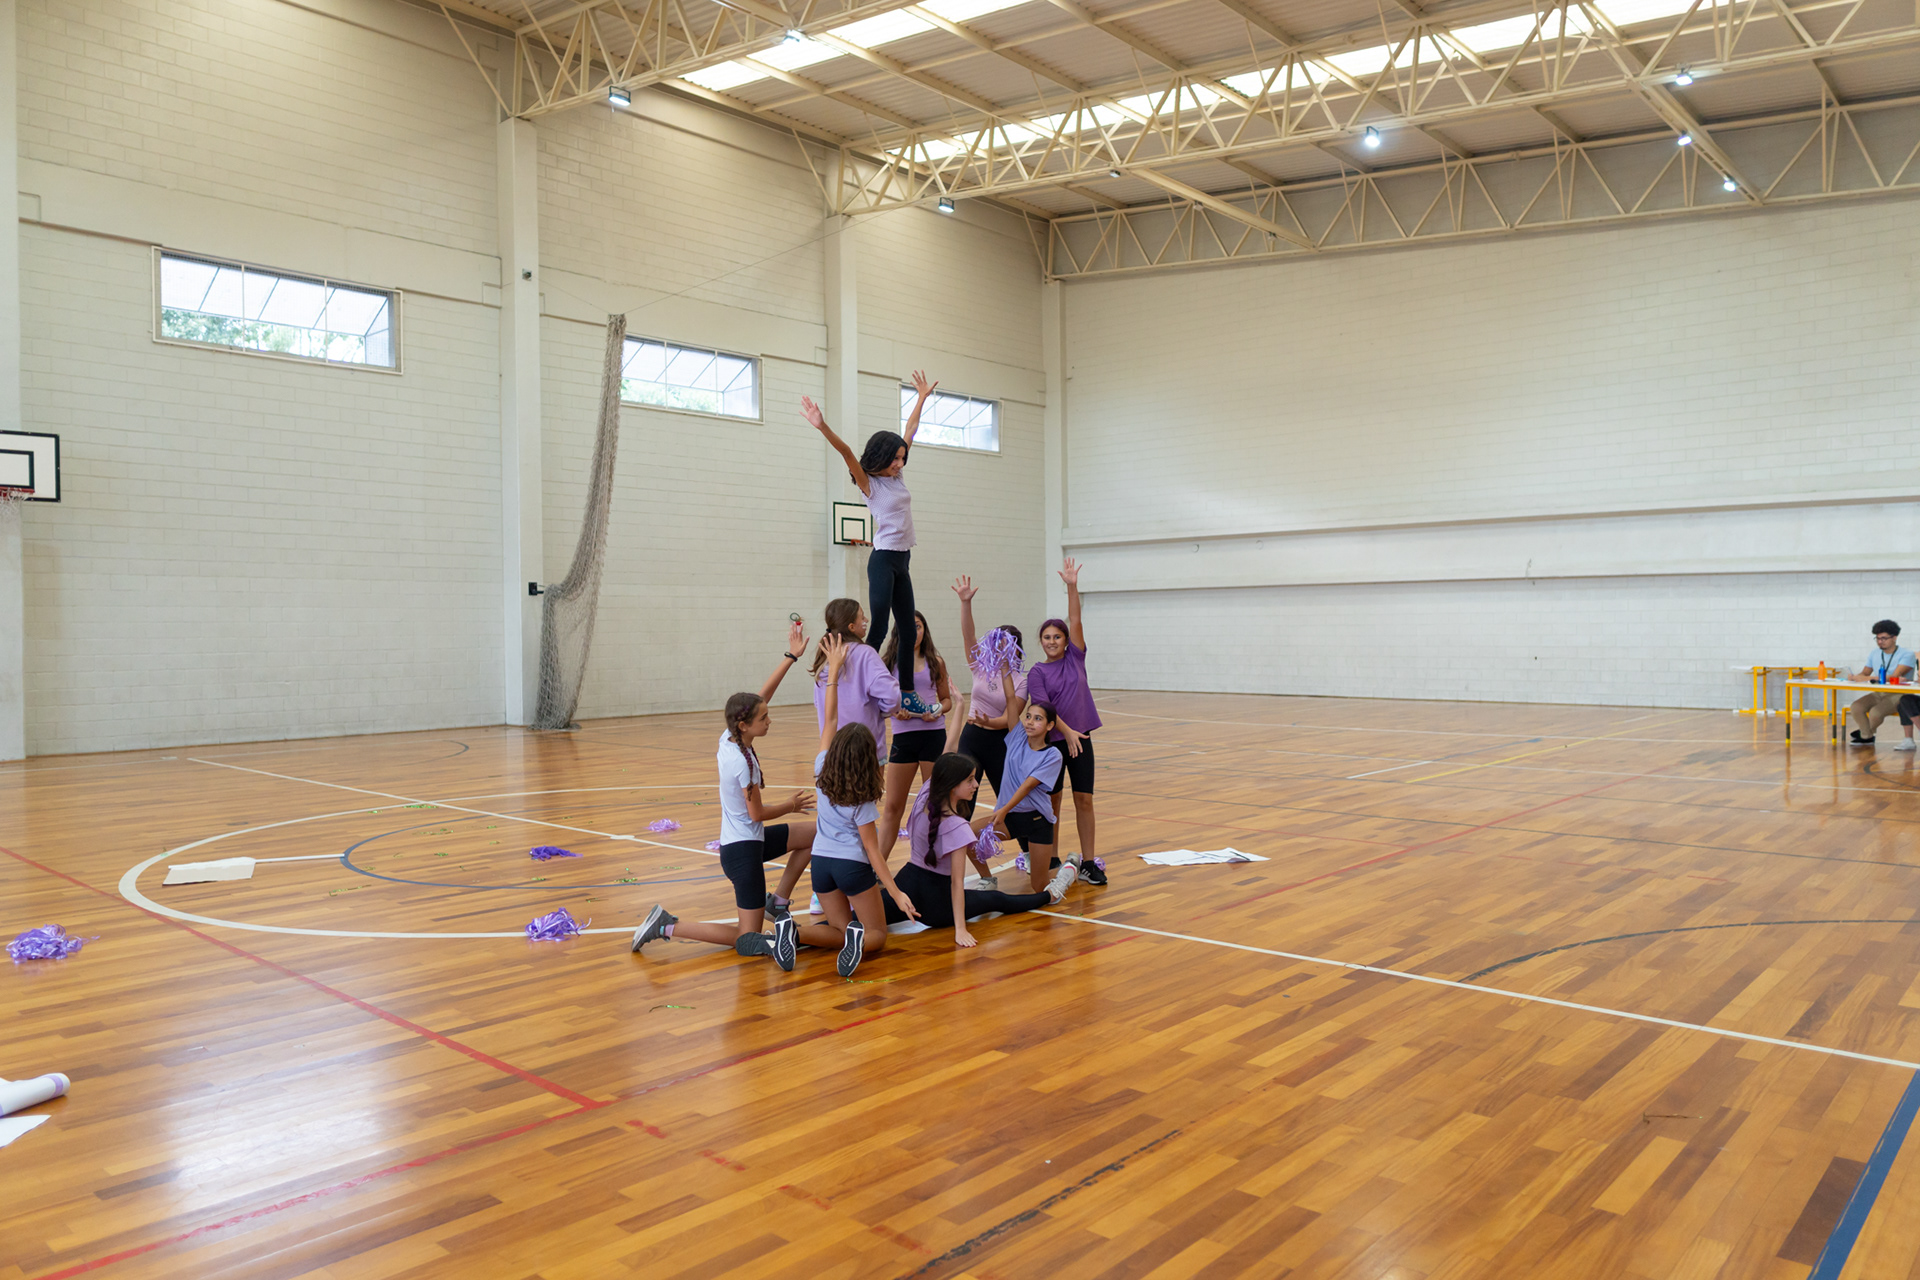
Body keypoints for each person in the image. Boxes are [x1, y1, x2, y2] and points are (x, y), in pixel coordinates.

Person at [631, 620, 836, 968]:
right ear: (745, 725)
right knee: (748, 940)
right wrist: (790, 805)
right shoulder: (744, 764)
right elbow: (757, 814)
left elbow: (761, 697)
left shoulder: (729, 738)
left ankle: (778, 902)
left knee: (817, 833)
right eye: (764, 719)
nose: (769, 720)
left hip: (748, 841)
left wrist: (791, 657)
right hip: (743, 853)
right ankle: (666, 925)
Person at [799, 371, 939, 712]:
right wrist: (822, 425)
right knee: (878, 626)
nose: (900, 464)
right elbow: (846, 451)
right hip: (883, 560)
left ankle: (907, 693)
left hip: (903, 560)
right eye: (895, 459)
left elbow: (910, 430)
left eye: (902, 458)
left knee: (907, 630)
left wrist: (921, 398)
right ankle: (855, 678)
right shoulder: (870, 484)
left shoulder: (897, 476)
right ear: (880, 457)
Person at [810, 638, 920, 977]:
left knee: (839, 930)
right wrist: (896, 893)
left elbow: (830, 718)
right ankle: (858, 945)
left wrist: (833, 672)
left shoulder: (821, 765)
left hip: (819, 863)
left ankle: (793, 933)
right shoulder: (862, 798)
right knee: (878, 935)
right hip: (850, 867)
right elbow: (873, 852)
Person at [883, 752, 1073, 946]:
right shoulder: (958, 827)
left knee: (870, 916)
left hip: (905, 887)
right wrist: (960, 929)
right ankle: (1050, 895)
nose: (976, 784)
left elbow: (942, 766)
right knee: (997, 899)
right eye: (970, 780)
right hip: (938, 904)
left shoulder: (924, 796)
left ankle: (1050, 894)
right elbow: (956, 883)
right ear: (952, 784)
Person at [1024, 557, 1106, 885]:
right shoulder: (1037, 672)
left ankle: (1089, 862)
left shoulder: (1076, 657)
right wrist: (1067, 732)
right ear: (1041, 642)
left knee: (1084, 799)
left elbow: (1075, 618)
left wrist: (1072, 586)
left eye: (1057, 637)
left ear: (1065, 640)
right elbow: (1044, 709)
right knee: (1052, 802)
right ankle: (1052, 857)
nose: (1052, 641)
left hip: (1080, 741)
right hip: (1053, 745)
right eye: (1047, 637)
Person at [993, 671, 1078, 895]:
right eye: (1028, 716)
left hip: (1037, 820)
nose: (1030, 722)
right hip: (1012, 816)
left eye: (1038, 719)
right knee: (970, 837)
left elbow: (1028, 786)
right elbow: (1011, 698)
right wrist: (1004, 665)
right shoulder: (1017, 737)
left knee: (1040, 888)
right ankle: (986, 878)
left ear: (1050, 726)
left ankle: (1069, 870)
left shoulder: (1052, 755)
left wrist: (1003, 809)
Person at [876, 610, 954, 856]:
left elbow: (946, 700)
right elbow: (880, 703)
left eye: (918, 626)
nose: (914, 631)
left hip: (933, 736)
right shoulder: (887, 663)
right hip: (904, 738)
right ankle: (877, 867)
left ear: (924, 630)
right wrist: (894, 711)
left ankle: (931, 858)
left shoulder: (936, 662)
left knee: (934, 803)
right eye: (909, 626)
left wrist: (936, 711)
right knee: (893, 806)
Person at [1846, 620, 1916, 747]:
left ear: (1894, 638)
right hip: (1879, 692)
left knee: (1876, 712)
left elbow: (1894, 677)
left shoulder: (1907, 654)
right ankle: (1867, 736)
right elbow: (1865, 673)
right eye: (1877, 638)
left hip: (1899, 694)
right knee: (1856, 707)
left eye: (1884, 638)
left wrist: (1866, 678)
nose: (1880, 642)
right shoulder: (1874, 653)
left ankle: (1864, 734)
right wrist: (1855, 677)